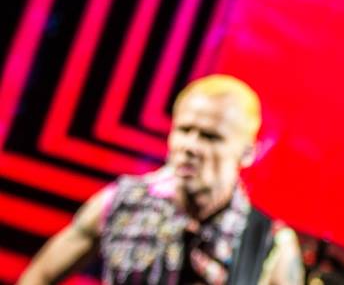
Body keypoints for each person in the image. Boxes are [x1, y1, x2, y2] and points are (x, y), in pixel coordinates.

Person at [19, 75, 305, 285]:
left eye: (210, 137)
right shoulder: (121, 202)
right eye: (184, 130)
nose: (190, 146)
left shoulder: (270, 243)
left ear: (247, 153)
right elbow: (40, 276)